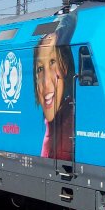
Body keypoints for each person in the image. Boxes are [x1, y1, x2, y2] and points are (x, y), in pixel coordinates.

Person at [33, 20, 76, 160]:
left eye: (52, 62)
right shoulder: (52, 126)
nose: (45, 82)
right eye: (40, 69)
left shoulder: (70, 119)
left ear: (66, 66)